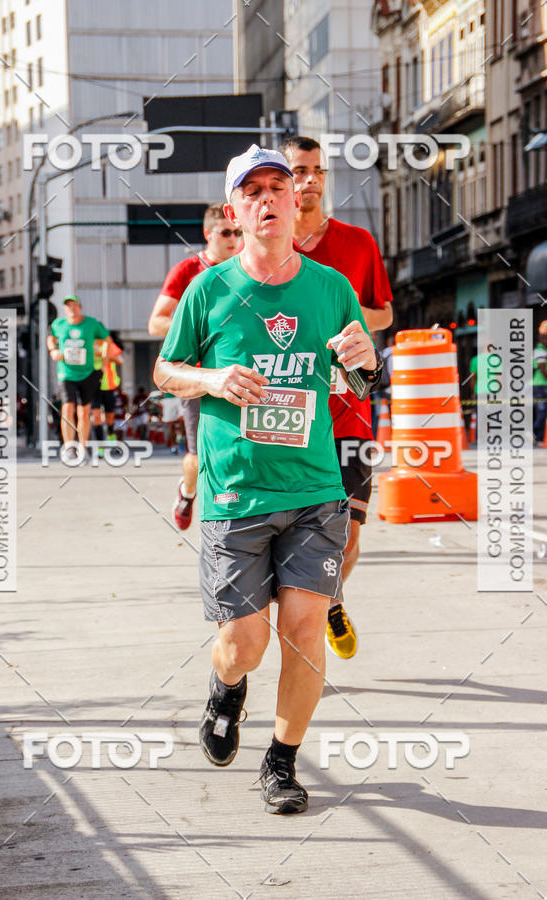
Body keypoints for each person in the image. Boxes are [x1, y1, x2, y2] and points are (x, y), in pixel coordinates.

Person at [154, 144, 382, 814]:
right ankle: (226, 690)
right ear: (236, 211)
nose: (266, 199)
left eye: (277, 186)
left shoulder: (331, 287)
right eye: (250, 191)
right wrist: (212, 379)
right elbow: (166, 373)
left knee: (306, 630)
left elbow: (355, 380)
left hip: (313, 489)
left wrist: (365, 361)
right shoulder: (209, 289)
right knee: (243, 644)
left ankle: (280, 762)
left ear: (295, 200)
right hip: (235, 493)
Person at [280, 135, 393, 660]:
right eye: (298, 171)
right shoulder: (266, 247)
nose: (310, 180)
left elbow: (384, 314)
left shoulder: (358, 243)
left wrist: (346, 326)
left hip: (350, 411)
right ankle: (308, 612)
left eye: (317, 171)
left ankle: (332, 598)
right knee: (294, 533)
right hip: (289, 417)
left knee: (347, 537)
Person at [149, 203, 243, 529]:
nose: (234, 239)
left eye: (239, 232)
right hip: (198, 378)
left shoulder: (249, 270)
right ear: (208, 234)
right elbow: (156, 322)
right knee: (199, 455)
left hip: (241, 376)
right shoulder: (188, 270)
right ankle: (188, 491)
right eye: (226, 232)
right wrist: (198, 326)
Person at [47, 295, 110, 460]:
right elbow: (50, 338)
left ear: (80, 307)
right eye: (68, 306)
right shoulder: (58, 325)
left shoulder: (91, 324)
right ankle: (69, 447)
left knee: (83, 412)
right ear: (64, 309)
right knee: (67, 407)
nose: (72, 309)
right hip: (66, 373)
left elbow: (107, 340)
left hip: (87, 372)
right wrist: (53, 350)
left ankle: (82, 447)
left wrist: (104, 360)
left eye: (74, 306)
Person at [91, 334, 124, 446]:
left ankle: (111, 435)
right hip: (93, 386)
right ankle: (100, 446)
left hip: (109, 386)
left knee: (109, 417)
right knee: (96, 417)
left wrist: (104, 356)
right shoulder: (89, 344)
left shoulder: (109, 345)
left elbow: (120, 360)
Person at [533, 319, 547, 444]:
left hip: (542, 385)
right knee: (542, 411)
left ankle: (540, 436)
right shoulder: (540, 350)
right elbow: (542, 369)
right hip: (540, 385)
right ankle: (535, 433)